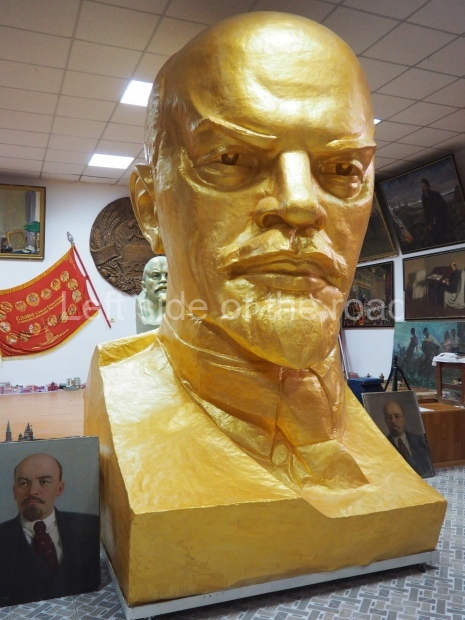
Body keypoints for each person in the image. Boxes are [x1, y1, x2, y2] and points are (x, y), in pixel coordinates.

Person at [85, 12, 445, 606]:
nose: (300, 204)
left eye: (342, 169)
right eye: (230, 159)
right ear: (149, 207)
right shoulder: (118, 390)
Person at [0, 453, 100, 606]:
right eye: (24, 483)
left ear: (60, 488)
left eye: (44, 482)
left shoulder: (91, 526)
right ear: (15, 491)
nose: (32, 491)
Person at [383, 401, 433, 478]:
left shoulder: (419, 440)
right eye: (389, 417)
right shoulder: (383, 445)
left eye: (397, 416)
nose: (393, 421)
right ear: (385, 421)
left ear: (404, 419)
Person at [135, 255, 168, 333]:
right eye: (156, 276)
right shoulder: (142, 308)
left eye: (168, 275)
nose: (163, 280)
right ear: (144, 286)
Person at [421, 178, 449, 245]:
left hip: (440, 220)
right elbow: (425, 211)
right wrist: (428, 223)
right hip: (431, 223)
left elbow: (443, 207)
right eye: (421, 186)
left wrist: (438, 217)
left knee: (442, 238)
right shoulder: (423, 197)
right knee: (435, 239)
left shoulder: (436, 194)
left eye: (424, 186)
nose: (422, 188)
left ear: (428, 186)